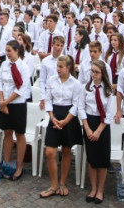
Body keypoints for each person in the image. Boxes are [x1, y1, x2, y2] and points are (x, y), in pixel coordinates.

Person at [40, 54, 81, 199]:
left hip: (69, 117)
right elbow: (48, 99)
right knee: (50, 152)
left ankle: (63, 182)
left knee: (66, 150)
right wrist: (52, 117)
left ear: (68, 67)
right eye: (57, 66)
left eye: (61, 67)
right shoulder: (52, 80)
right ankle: (54, 185)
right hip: (55, 116)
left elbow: (76, 104)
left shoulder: (75, 83)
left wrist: (65, 121)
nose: (58, 69)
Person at [78, 59, 115, 204]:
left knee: (102, 160)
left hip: (102, 125)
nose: (93, 74)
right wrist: (87, 128)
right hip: (89, 122)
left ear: (103, 74)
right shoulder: (85, 88)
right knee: (92, 159)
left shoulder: (108, 90)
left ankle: (100, 189)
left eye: (96, 72)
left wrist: (99, 131)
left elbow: (108, 113)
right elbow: (81, 108)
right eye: (92, 71)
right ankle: (93, 188)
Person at [0, 39, 32, 180]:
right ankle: (6, 163)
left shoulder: (23, 67)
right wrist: (2, 101)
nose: (7, 53)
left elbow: (21, 88)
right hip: (4, 102)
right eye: (6, 50)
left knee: (20, 133)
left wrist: (6, 102)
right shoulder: (4, 65)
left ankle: (19, 166)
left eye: (9, 51)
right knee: (7, 132)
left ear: (17, 50)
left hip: (17, 104)